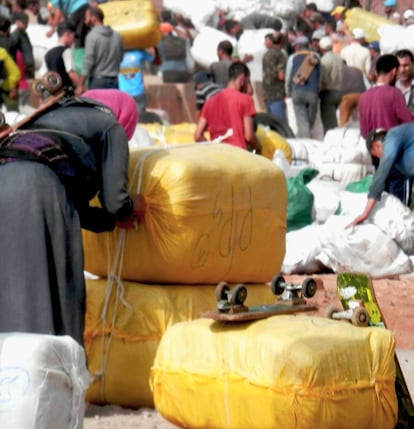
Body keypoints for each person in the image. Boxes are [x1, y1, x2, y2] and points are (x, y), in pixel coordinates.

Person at [0, 88, 142, 347]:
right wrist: (134, 206)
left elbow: (80, 211)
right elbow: (116, 201)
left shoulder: (45, 117)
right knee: (56, 293)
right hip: (39, 191)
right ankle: (53, 376)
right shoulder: (110, 125)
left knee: (10, 291)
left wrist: (109, 222)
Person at [347, 124, 414, 227]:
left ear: (376, 146)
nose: (380, 159)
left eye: (376, 156)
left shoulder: (392, 137)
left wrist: (365, 213)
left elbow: (382, 172)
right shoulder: (401, 155)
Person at [194, 61, 261, 153]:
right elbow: (249, 136)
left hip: (218, 155)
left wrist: (212, 148)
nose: (247, 85)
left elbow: (198, 136)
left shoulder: (209, 102)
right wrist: (259, 148)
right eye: (247, 81)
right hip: (238, 154)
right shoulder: (245, 99)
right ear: (242, 79)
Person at [358, 54, 414, 139]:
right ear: (394, 71)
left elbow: (363, 131)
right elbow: (409, 121)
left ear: (376, 72)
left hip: (371, 147)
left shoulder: (363, 96)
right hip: (391, 144)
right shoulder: (394, 93)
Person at [76, 6, 123, 93]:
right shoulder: (117, 35)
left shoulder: (92, 37)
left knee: (97, 106)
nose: (85, 21)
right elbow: (120, 57)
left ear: (93, 18)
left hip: (98, 83)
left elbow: (88, 61)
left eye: (87, 18)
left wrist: (80, 84)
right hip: (114, 82)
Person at [285, 35, 321, 138]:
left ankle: (306, 142)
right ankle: (309, 138)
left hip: (297, 91)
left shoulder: (292, 58)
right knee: (310, 120)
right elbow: (320, 75)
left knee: (302, 121)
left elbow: (288, 77)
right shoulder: (316, 56)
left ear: (298, 46)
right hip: (313, 92)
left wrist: (288, 92)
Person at [118, 48, 155, 117]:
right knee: (140, 119)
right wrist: (152, 51)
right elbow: (152, 59)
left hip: (123, 93)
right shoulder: (139, 52)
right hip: (138, 92)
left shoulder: (117, 54)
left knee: (125, 119)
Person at [44, 20, 79, 90]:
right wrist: (81, 86)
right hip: (66, 94)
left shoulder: (48, 53)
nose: (73, 41)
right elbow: (71, 74)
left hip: (53, 93)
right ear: (67, 34)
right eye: (73, 37)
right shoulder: (66, 51)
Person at [318, 35, 343, 134]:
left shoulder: (323, 60)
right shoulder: (339, 58)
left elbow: (323, 79)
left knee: (329, 123)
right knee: (334, 119)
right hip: (339, 91)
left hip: (328, 92)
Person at [262, 32, 288, 123]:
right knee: (280, 124)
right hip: (277, 93)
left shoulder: (266, 54)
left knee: (272, 124)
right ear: (282, 41)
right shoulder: (280, 55)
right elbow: (281, 76)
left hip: (266, 93)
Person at [338, 62, 366, 127]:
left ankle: (342, 132)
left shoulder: (338, 70)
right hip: (360, 96)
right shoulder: (357, 70)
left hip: (346, 97)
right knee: (359, 122)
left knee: (343, 123)